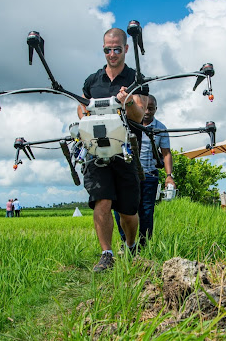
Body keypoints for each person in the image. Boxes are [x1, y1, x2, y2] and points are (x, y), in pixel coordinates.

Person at [78, 27, 149, 272]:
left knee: (128, 211)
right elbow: (81, 107)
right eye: (108, 50)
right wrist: (84, 118)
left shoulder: (136, 80)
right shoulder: (92, 81)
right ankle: (106, 254)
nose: (112, 54)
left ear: (126, 49)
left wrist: (128, 101)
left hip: (126, 151)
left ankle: (130, 246)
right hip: (96, 152)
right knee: (102, 200)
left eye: (117, 49)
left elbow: (140, 116)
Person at [113, 95, 174, 246]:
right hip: (126, 175)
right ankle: (126, 242)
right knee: (121, 210)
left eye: (151, 108)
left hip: (149, 176)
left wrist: (169, 176)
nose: (147, 111)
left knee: (146, 212)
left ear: (155, 109)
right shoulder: (126, 123)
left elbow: (166, 153)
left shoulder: (160, 128)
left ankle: (144, 244)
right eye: (145, 108)